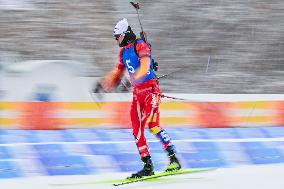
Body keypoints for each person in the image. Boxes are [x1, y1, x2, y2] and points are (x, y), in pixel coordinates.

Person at [94, 18, 181, 178]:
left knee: (153, 124)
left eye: (118, 36)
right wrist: (103, 85)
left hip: (150, 90)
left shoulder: (140, 45)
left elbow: (146, 65)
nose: (116, 40)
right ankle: (147, 165)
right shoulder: (123, 52)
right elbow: (117, 74)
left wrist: (131, 79)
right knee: (136, 128)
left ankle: (174, 159)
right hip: (138, 93)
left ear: (126, 34)